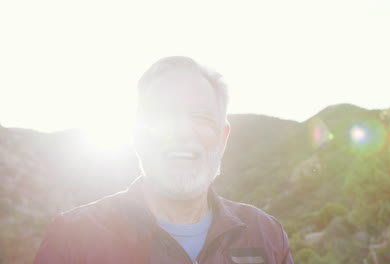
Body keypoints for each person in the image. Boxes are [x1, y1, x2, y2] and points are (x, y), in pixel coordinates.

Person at [34, 56, 293, 264]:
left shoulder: (266, 234)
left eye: (201, 117)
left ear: (223, 138)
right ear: (137, 136)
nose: (181, 130)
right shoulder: (73, 238)